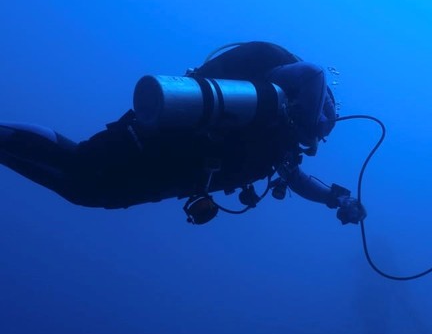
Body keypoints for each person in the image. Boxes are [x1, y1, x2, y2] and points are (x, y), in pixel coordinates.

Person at [0, 41, 366, 225]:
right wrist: (310, 127)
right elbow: (315, 71)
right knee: (80, 166)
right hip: (166, 141)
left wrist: (336, 200)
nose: (321, 134)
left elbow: (299, 181)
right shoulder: (278, 97)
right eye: (325, 123)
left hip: (172, 173)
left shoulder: (279, 144)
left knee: (86, 190)